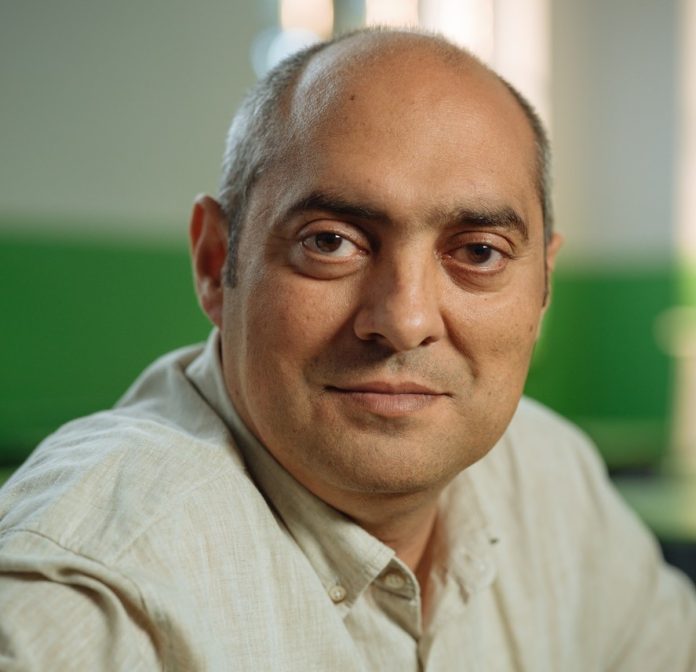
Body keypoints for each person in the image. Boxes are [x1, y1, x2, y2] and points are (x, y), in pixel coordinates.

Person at [0, 27, 694, 671]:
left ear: (543, 285)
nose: (405, 320)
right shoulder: (94, 594)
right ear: (216, 264)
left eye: (479, 252)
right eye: (330, 242)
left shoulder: (549, 475)